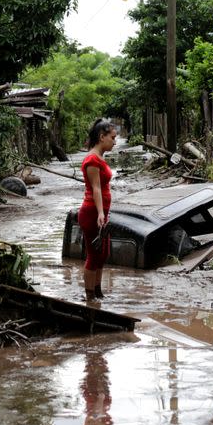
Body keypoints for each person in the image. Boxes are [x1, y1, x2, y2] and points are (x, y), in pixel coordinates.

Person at [78, 118, 117, 301]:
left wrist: (103, 213)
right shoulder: (92, 159)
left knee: (103, 254)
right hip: (92, 213)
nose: (115, 142)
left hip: (100, 213)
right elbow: (96, 188)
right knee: (94, 256)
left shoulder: (99, 157)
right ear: (102, 137)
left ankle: (98, 291)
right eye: (112, 137)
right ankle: (89, 296)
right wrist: (101, 213)